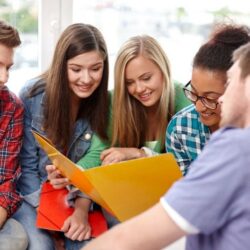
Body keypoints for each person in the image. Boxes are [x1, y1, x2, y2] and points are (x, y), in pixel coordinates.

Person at [82, 41, 250, 250]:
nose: (201, 105)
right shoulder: (184, 124)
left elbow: (128, 238)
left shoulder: (235, 147)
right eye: (130, 82)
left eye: (231, 83)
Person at [13, 23, 110, 250]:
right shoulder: (33, 95)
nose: (86, 79)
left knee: (87, 244)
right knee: (40, 245)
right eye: (76, 69)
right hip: (34, 194)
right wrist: (48, 213)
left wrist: (79, 208)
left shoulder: (105, 104)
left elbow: (95, 167)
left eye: (95, 69)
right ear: (61, 66)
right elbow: (25, 169)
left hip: (78, 199)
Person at [166, 24, 250, 175]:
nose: (199, 107)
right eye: (194, 93)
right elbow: (186, 190)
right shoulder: (180, 128)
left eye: (210, 98)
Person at [101, 35, 190, 165]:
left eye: (146, 78)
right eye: (129, 82)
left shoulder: (186, 100)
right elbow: (100, 151)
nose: (139, 89)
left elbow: (188, 165)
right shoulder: (115, 100)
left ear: (163, 69)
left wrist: (140, 154)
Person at [0, 20, 28, 250]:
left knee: (17, 239)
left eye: (8, 67)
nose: (4, 77)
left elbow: (7, 182)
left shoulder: (12, 107)